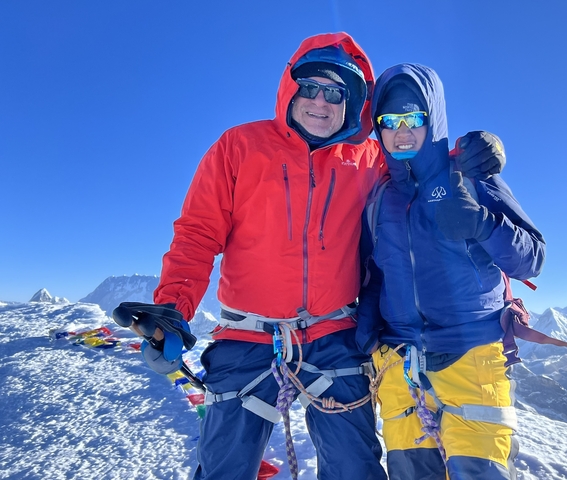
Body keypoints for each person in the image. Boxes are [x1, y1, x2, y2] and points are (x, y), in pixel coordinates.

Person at [117, 33, 507, 480]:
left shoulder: (367, 158)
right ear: (291, 88)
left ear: (353, 102)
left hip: (335, 333)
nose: (321, 102)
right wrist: (173, 307)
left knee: (355, 469)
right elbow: (198, 234)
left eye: (336, 92)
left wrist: (468, 154)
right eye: (310, 87)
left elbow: (417, 164)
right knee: (224, 468)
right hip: (247, 336)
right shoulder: (238, 147)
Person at [356, 63, 545, 480]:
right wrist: (368, 322)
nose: (401, 131)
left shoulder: (471, 176)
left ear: (433, 119)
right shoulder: (380, 196)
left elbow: (531, 258)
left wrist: (483, 224)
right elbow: (375, 272)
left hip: (472, 358)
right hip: (400, 366)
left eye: (413, 118)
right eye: (389, 121)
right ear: (378, 128)